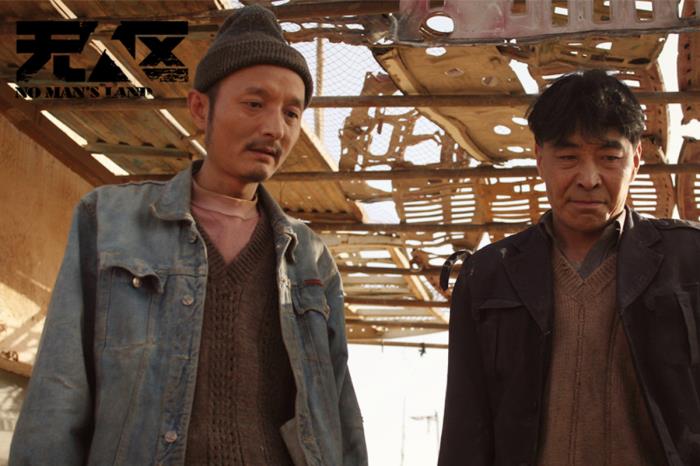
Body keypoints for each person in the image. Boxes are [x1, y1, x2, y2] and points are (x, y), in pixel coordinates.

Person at [9, 5, 367, 466]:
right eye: (254, 104)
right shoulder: (109, 221)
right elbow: (58, 392)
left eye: (292, 112)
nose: (275, 128)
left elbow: (339, 410)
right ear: (200, 108)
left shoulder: (310, 259)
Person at [438, 70, 700, 465]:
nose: (588, 179)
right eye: (568, 158)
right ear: (539, 158)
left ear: (636, 161)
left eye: (609, 158)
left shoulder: (689, 260)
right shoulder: (488, 276)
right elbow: (465, 428)